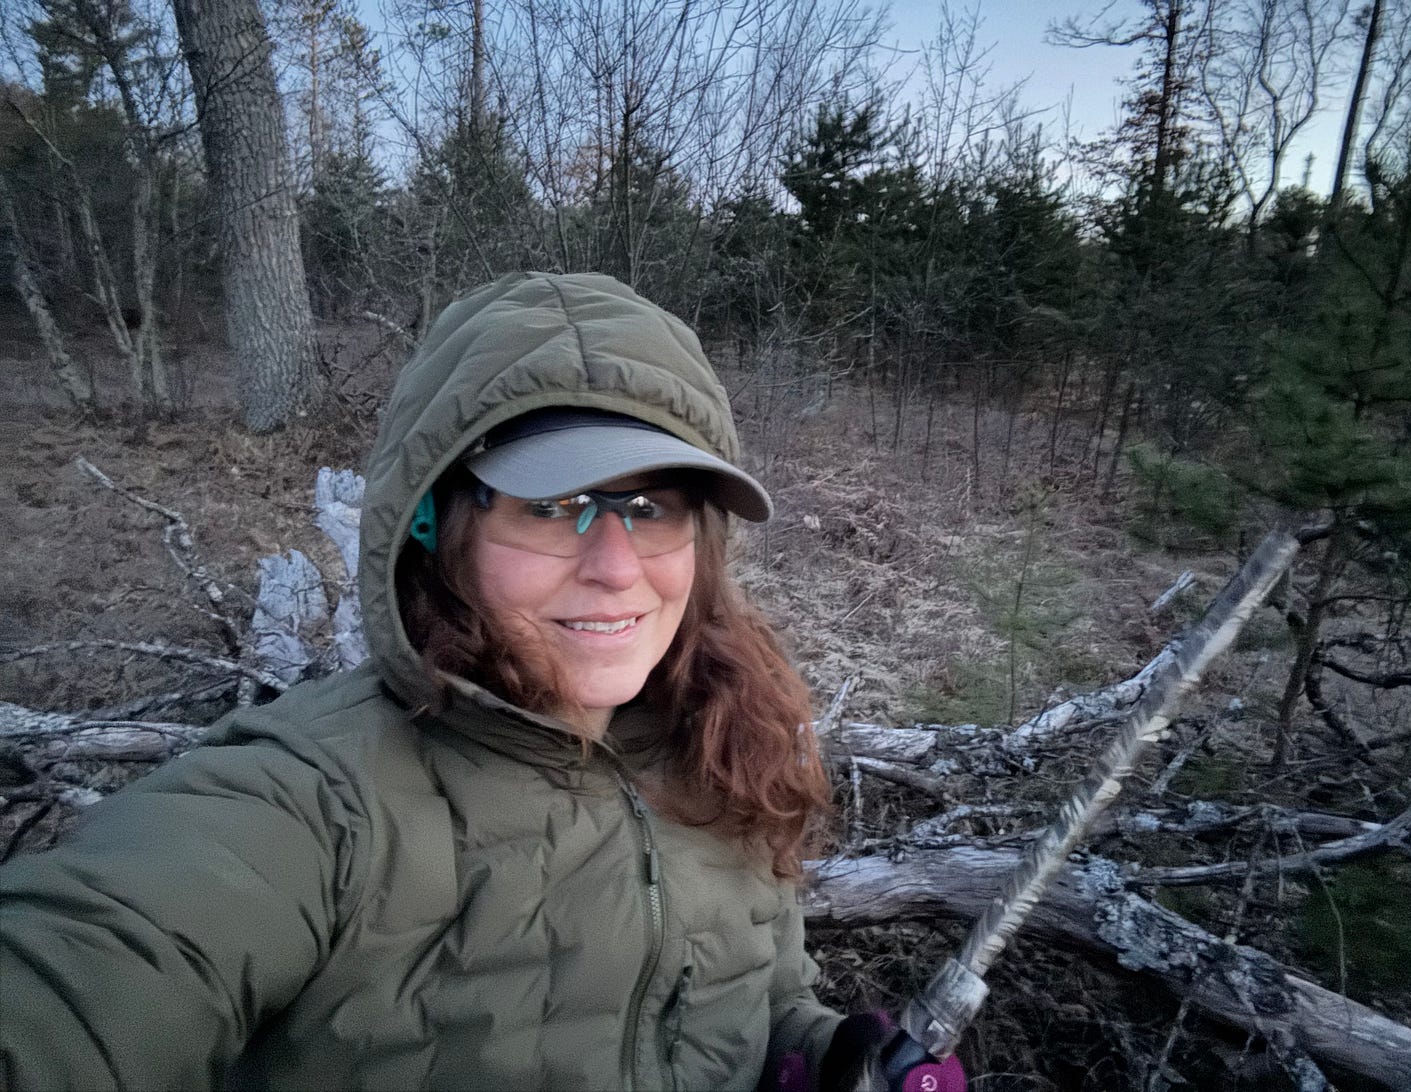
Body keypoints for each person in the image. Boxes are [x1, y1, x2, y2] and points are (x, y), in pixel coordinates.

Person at [0, 273, 964, 1092]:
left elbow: (765, 997)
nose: (616, 568)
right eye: (553, 505)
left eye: (649, 506)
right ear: (435, 523)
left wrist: (823, 1056)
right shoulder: (311, 800)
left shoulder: (724, 745)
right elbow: (85, 975)